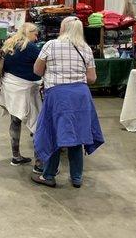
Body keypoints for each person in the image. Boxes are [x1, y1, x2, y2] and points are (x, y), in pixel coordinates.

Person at [31, 16, 105, 189]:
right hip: (81, 96)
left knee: (54, 134)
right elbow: (92, 78)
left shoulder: (50, 45)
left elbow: (37, 70)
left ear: (63, 29)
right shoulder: (85, 48)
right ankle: (77, 178)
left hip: (58, 95)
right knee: (76, 134)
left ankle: (48, 175)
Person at [0, 22, 43, 169]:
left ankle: (15, 156)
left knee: (15, 121)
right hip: (26, 89)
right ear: (29, 33)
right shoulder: (30, 47)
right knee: (37, 124)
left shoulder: (10, 44)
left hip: (10, 88)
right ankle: (39, 163)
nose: (36, 38)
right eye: (35, 34)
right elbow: (42, 64)